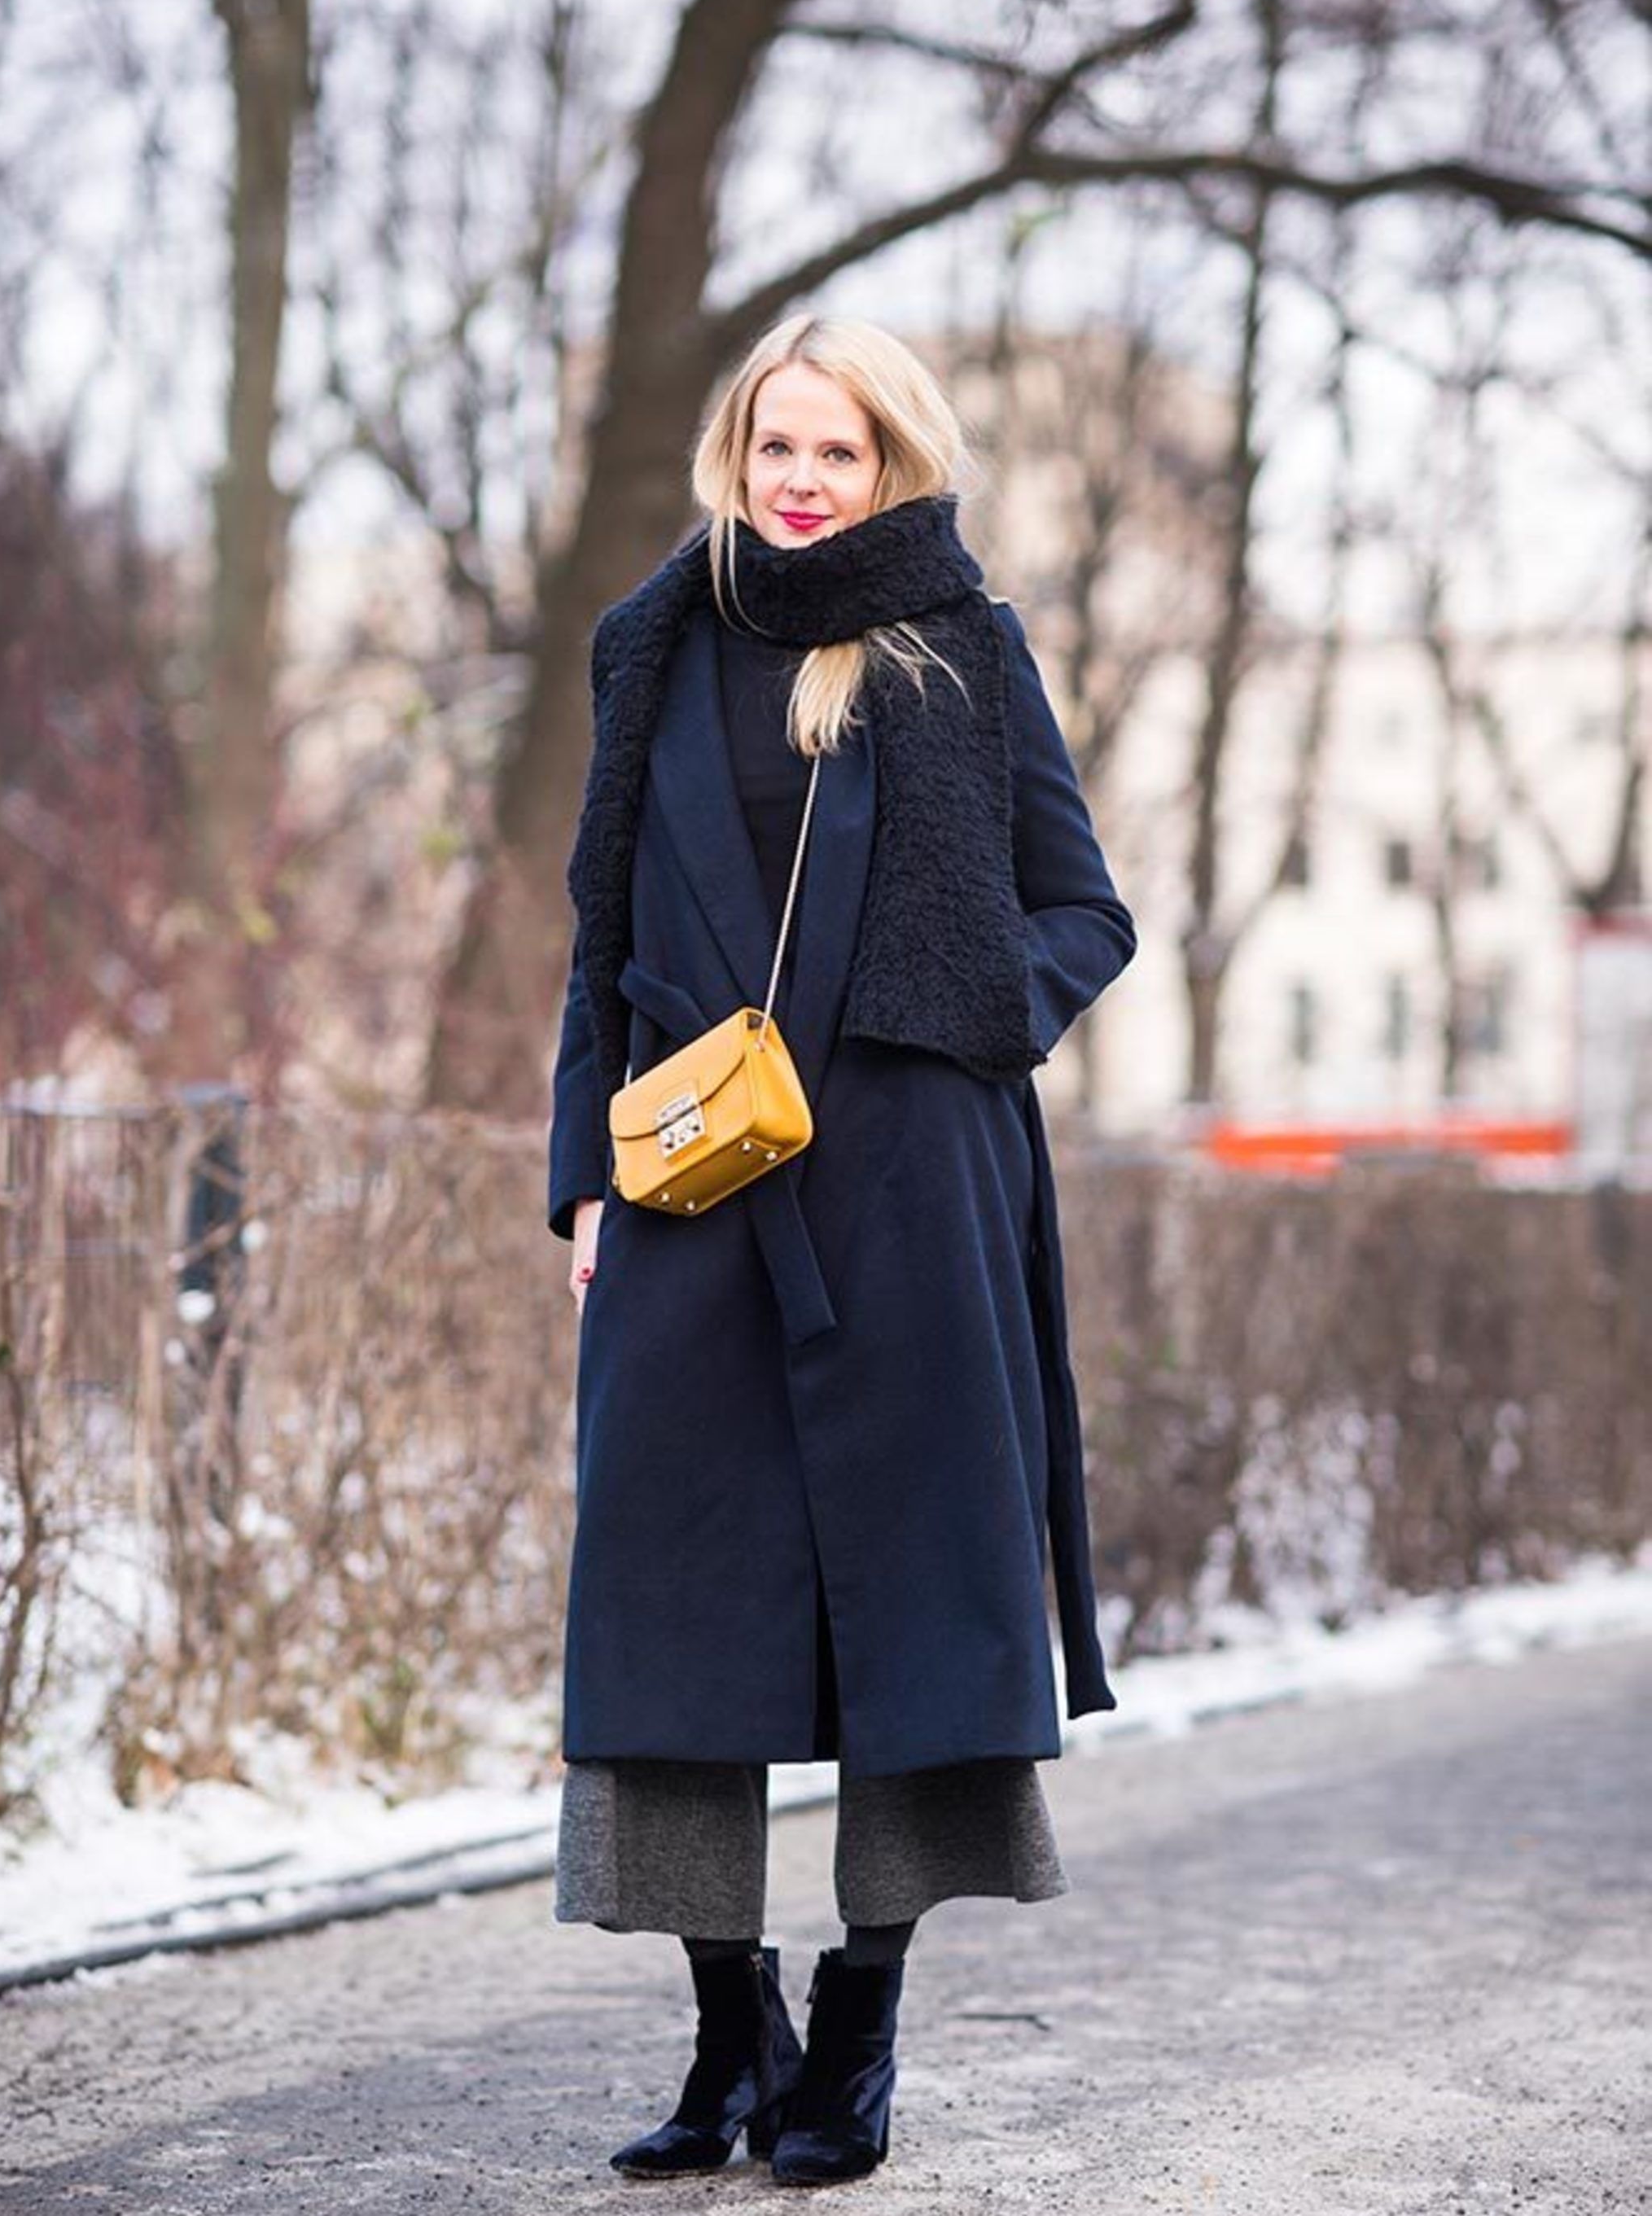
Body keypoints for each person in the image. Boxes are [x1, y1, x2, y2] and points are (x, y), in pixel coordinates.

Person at [545, 313, 1137, 2188]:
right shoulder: (651, 644)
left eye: (843, 451)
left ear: (895, 464)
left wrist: (957, 1021)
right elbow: (593, 938)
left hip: (908, 1190)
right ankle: (734, 2028)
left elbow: (1082, 912)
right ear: (735, 449)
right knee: (670, 1616)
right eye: (779, 445)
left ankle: (860, 2027)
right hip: (692, 1198)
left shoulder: (956, 647)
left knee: (917, 1607)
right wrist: (585, 1178)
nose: (804, 480)